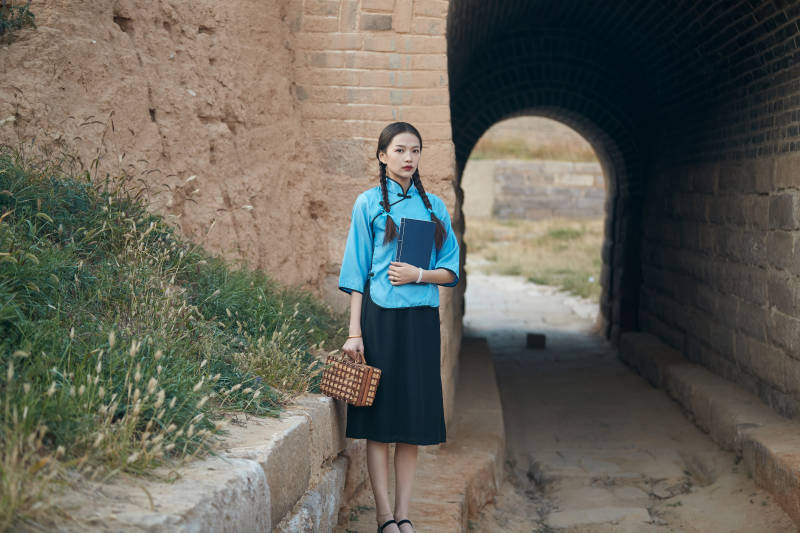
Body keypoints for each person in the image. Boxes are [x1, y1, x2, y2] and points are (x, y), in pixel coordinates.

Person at [338, 122, 460, 533]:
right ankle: (383, 517)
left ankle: (404, 515)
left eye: (416, 150)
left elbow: (451, 269)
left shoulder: (434, 207)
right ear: (382, 155)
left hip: (421, 321)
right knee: (381, 423)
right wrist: (354, 332)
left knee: (410, 423)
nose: (409, 157)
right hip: (380, 320)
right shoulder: (368, 203)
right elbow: (356, 273)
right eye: (400, 150)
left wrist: (418, 275)